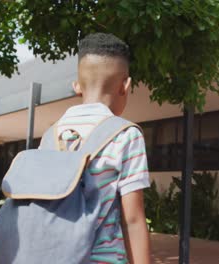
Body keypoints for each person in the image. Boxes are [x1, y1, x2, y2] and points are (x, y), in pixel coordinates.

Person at [59, 33, 151, 263]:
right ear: (126, 86)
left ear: (77, 86)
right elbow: (133, 219)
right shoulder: (126, 136)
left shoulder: (52, 135)